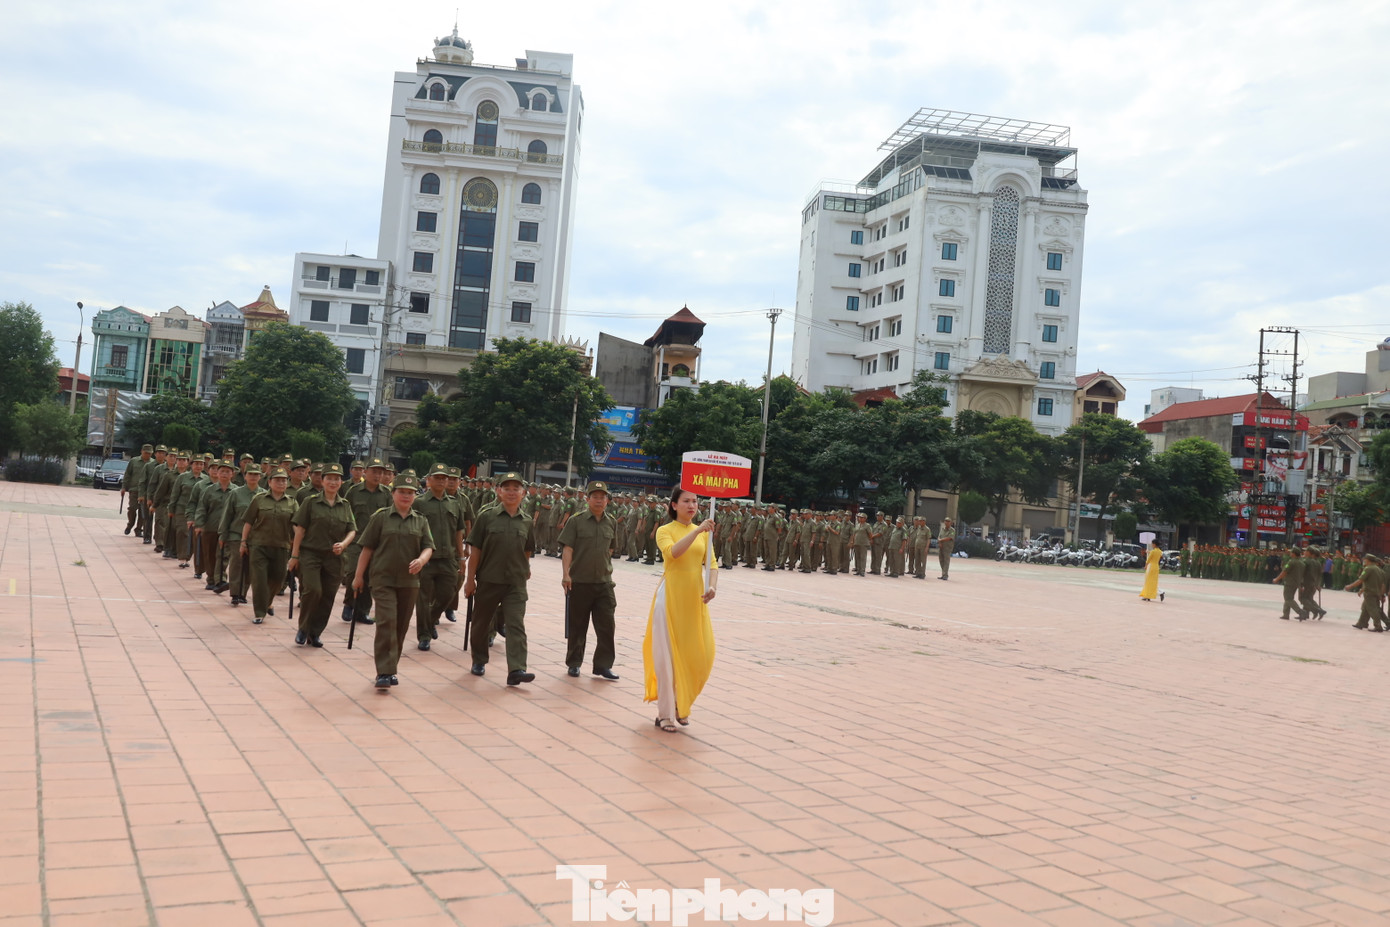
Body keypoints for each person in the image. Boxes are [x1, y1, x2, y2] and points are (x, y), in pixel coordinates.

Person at [643, 487, 717, 733]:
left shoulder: (705, 535)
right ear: (674, 505)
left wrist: (712, 587)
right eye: (686, 501)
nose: (692, 505)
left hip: (695, 600)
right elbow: (673, 553)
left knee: (702, 655)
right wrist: (697, 530)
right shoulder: (666, 531)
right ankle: (665, 714)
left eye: (695, 501)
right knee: (667, 658)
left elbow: (712, 565)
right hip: (671, 598)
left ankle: (680, 705)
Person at [353, 473, 434, 688]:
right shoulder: (380, 517)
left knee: (401, 626)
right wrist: (358, 576)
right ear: (393, 494)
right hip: (383, 579)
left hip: (409, 581)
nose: (406, 496)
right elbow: (367, 548)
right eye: (402, 492)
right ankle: (384, 672)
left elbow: (428, 546)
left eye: (410, 493)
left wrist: (421, 560)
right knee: (387, 622)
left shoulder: (420, 520)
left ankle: (391, 667)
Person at [465, 472, 536, 686]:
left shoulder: (526, 521)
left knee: (516, 625)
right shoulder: (486, 516)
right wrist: (470, 579)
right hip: (489, 579)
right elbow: (475, 550)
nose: (512, 492)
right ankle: (479, 659)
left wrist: (525, 567)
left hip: (515, 583)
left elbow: (527, 549)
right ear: (499, 492)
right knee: (480, 623)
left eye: (516, 489)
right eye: (507, 488)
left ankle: (517, 668)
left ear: (523, 493)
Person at [290, 463, 357, 648]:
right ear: (323, 480)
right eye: (329, 478)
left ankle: (315, 632)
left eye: (337, 479)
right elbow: (300, 530)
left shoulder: (345, 505)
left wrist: (343, 544)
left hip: (334, 558)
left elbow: (352, 530)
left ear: (341, 482)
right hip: (311, 554)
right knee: (313, 590)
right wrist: (294, 557)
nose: (333, 482)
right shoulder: (310, 502)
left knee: (328, 596)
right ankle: (303, 628)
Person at [559, 481, 620, 680]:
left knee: (607, 626)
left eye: (603, 497)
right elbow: (567, 548)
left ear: (607, 501)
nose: (599, 500)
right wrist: (566, 574)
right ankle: (574, 663)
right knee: (578, 625)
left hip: (604, 583)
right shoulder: (576, 521)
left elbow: (611, 548)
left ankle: (603, 665)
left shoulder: (611, 521)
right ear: (588, 499)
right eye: (595, 496)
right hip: (580, 581)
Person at [412, 463, 465, 652]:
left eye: (445, 478)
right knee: (423, 599)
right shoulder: (419, 502)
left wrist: (461, 557)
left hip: (448, 557)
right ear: (429, 480)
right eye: (438, 478)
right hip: (426, 559)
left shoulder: (454, 503)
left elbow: (459, 531)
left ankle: (431, 619)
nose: (443, 481)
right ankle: (424, 635)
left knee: (448, 593)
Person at [241, 467, 297, 625]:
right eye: (277, 480)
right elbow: (249, 522)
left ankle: (268, 601)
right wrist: (243, 542)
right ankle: (260, 612)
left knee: (278, 579)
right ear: (270, 482)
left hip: (281, 546)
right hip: (259, 545)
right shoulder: (259, 499)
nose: (281, 483)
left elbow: (296, 525)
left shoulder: (292, 502)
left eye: (284, 480)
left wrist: (298, 543)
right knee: (259, 580)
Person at [1346, 554, 1387, 632]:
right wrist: (1382, 594)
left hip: (1369, 592)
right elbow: (1382, 584)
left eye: (1365, 559)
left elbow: (1360, 580)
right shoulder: (1380, 570)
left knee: (1373, 610)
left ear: (1368, 560)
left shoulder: (1368, 569)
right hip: (1376, 592)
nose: (1364, 560)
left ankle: (1378, 626)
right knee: (1365, 608)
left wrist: (1350, 586)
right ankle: (1361, 623)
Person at [1272, 548, 1307, 621]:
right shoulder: (1302, 563)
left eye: (1291, 552)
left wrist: (1277, 579)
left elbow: (1284, 572)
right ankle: (1286, 614)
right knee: (1288, 598)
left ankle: (1300, 612)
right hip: (1296, 583)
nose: (1290, 553)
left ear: (1293, 553)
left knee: (1288, 598)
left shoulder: (1291, 562)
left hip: (1289, 582)